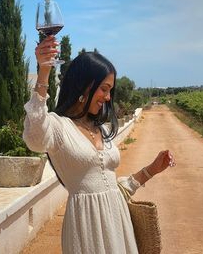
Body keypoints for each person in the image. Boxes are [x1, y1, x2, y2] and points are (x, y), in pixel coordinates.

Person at [23, 35, 176, 254]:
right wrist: (44, 71)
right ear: (85, 85)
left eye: (110, 90)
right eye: (104, 88)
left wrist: (152, 169)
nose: (107, 97)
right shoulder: (59, 127)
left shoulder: (101, 130)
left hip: (118, 221)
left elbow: (111, 188)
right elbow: (34, 136)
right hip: (87, 229)